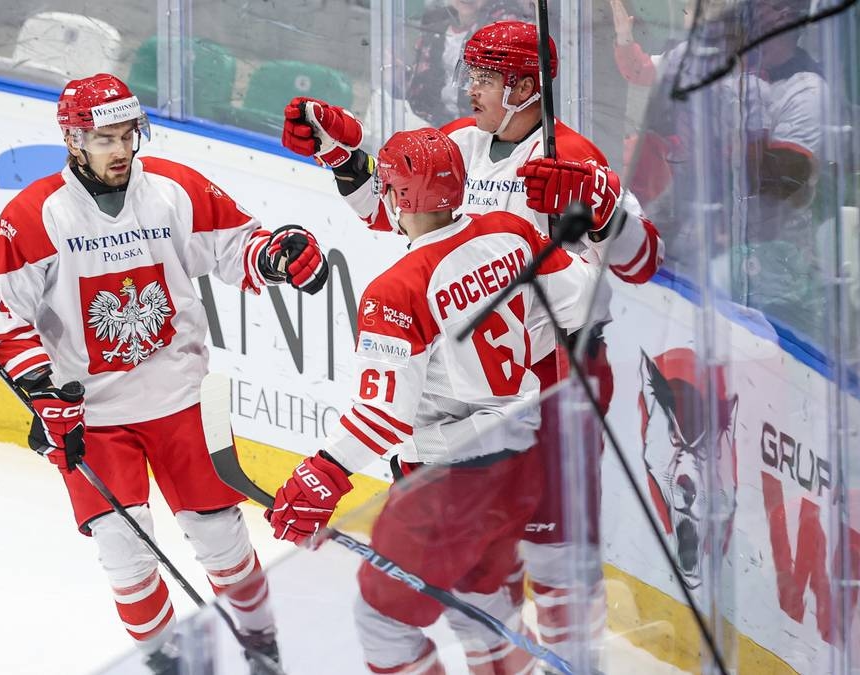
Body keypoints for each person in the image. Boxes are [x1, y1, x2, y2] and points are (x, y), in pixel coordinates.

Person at [280, 19, 665, 673]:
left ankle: (575, 659)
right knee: (486, 575)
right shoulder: (460, 141)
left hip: (556, 388)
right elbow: (398, 208)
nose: (470, 90)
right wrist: (343, 159)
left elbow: (643, 261)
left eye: (485, 77)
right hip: (491, 399)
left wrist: (603, 208)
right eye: (473, 73)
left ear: (524, 86)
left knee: (556, 556)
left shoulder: (575, 156)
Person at [0, 73, 329, 674]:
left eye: (128, 135)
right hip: (92, 417)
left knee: (222, 540)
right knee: (124, 550)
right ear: (73, 140)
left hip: (180, 399)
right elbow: (3, 321)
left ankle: (264, 645)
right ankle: (169, 662)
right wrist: (42, 392)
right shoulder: (35, 215)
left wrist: (274, 256)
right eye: (105, 139)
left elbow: (236, 245)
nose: (121, 150)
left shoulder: (172, 189)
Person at [265, 127, 599, 674]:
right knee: (482, 599)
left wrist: (324, 471)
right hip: (521, 464)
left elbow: (384, 414)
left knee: (385, 622)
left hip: (449, 484)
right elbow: (582, 302)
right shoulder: (511, 231)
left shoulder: (396, 289)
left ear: (400, 196)